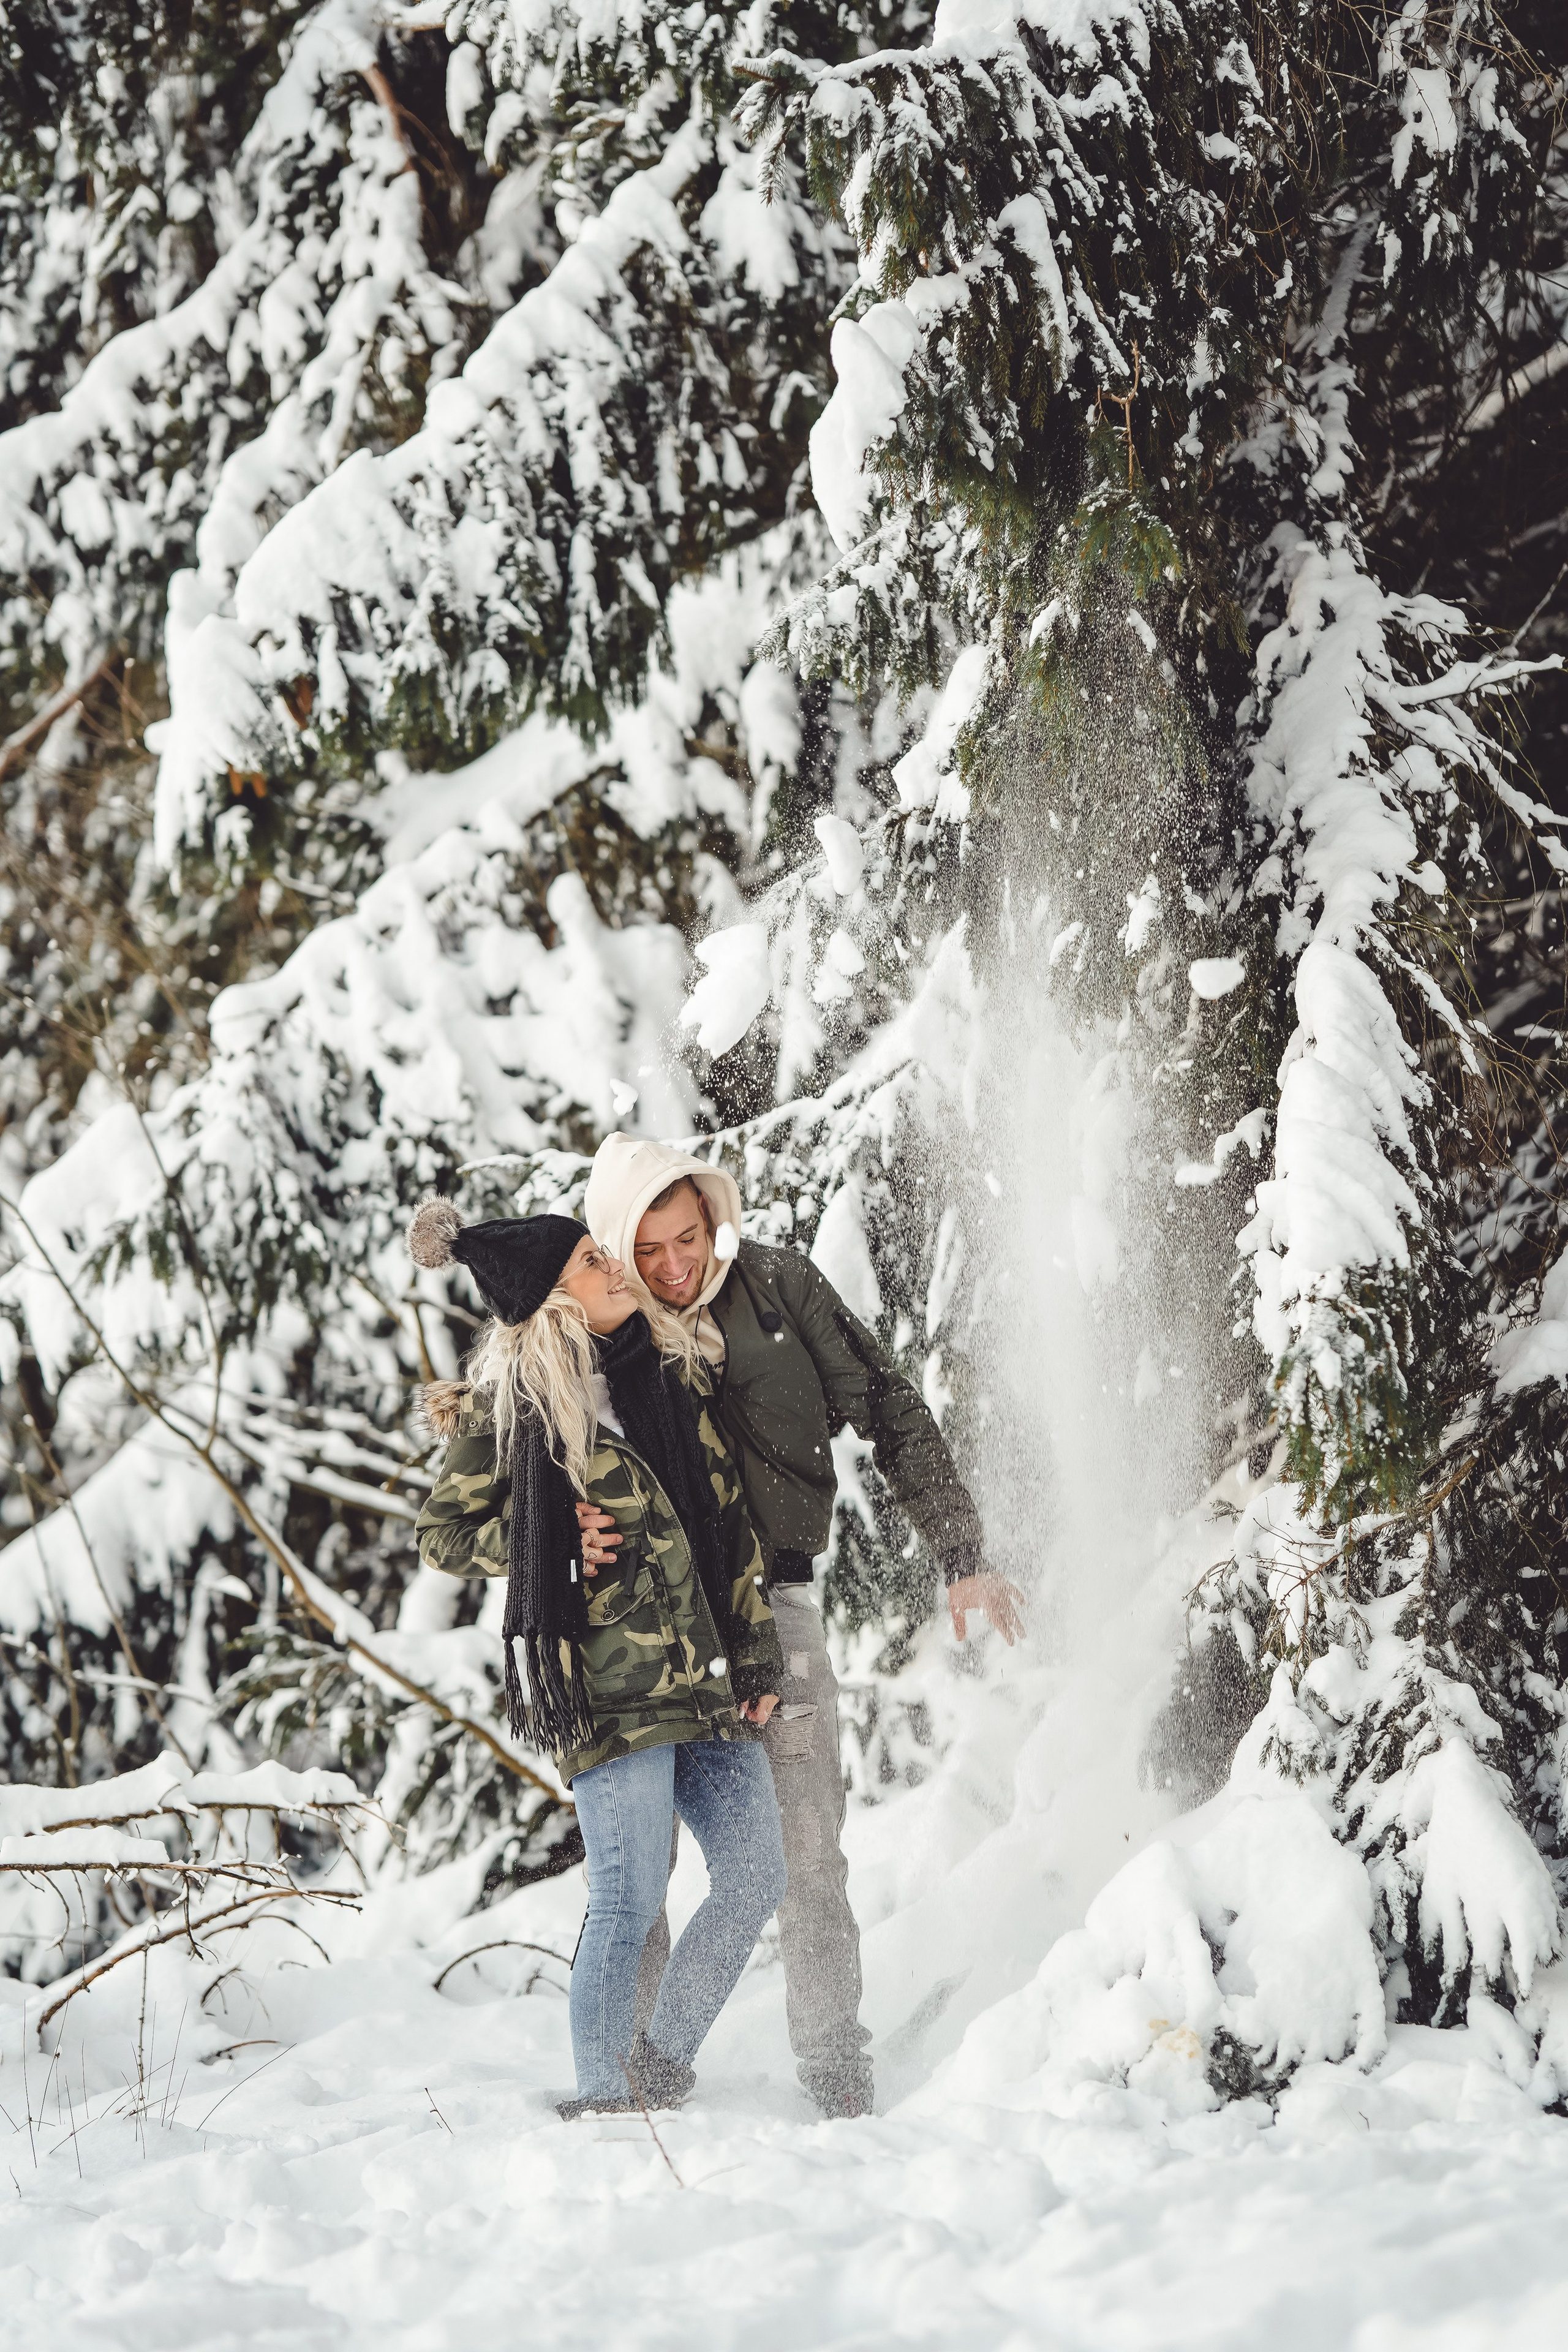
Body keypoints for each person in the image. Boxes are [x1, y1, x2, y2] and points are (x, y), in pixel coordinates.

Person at [581, 1136, 1025, 2119]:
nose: (674, 1265)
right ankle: (621, 2082)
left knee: (807, 1853)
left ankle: (836, 2073)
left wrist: (961, 1549)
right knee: (636, 1872)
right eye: (648, 1248)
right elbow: (518, 1466)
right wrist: (564, 1533)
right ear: (615, 1245)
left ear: (712, 1216)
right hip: (645, 1626)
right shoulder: (598, 1325)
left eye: (687, 1237)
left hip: (775, 1609)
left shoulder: (776, 1287)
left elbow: (888, 1405)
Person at [407, 1197, 787, 2119]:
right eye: (589, 1261)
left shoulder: (660, 1378)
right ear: (552, 1298)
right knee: (628, 1896)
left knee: (754, 1876)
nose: (614, 1265)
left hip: (703, 1680)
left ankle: (656, 2066)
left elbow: (728, 1526)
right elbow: (441, 1536)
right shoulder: (510, 1412)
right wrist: (541, 1537)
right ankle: (606, 2104)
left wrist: (755, 1658)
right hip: (608, 1691)